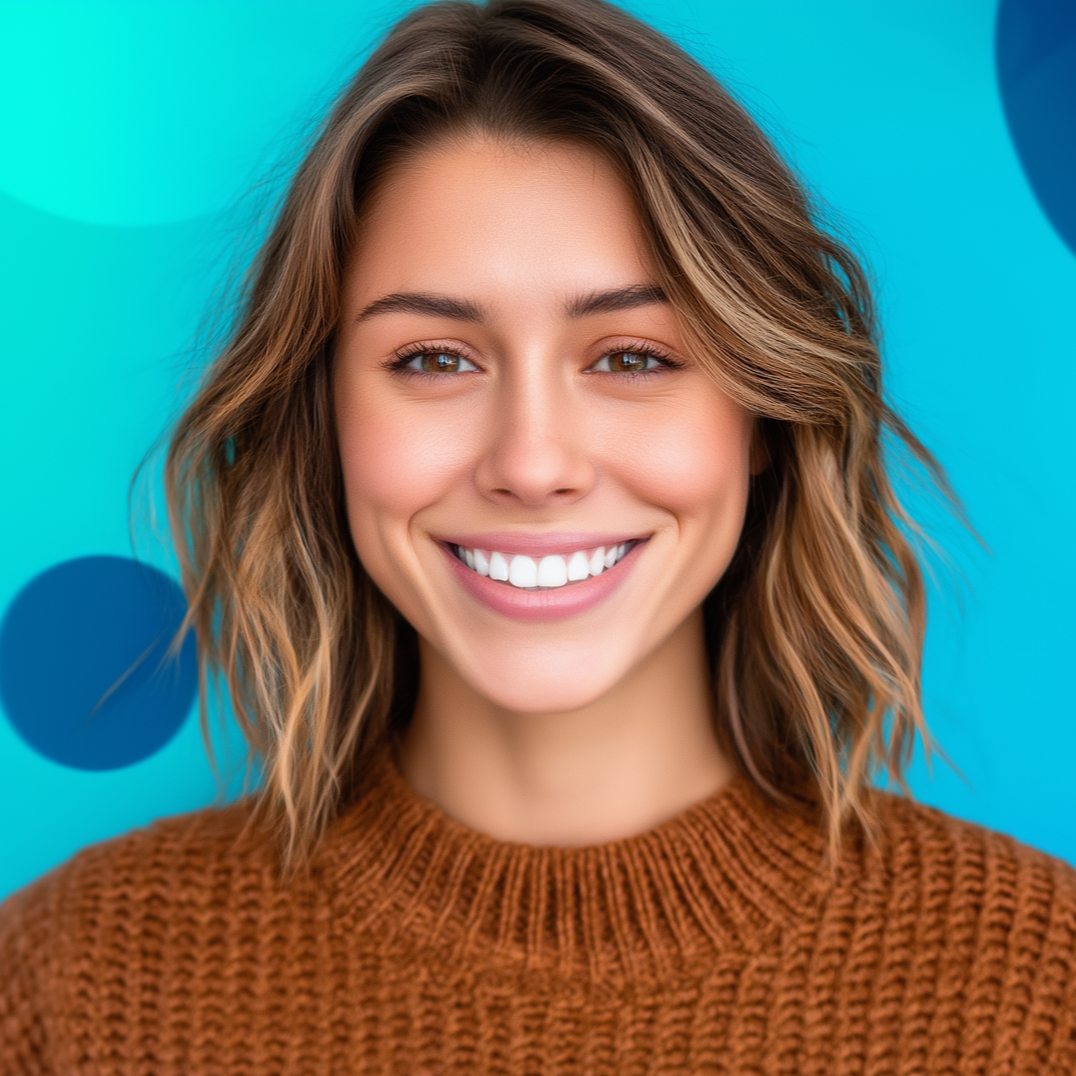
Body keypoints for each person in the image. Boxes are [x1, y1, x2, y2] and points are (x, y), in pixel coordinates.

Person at [2, 0, 1074, 1072]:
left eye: (632, 357)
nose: (530, 461)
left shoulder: (1038, 990)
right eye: (433, 359)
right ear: (324, 420)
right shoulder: (69, 989)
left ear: (762, 419)